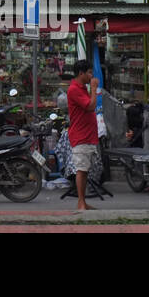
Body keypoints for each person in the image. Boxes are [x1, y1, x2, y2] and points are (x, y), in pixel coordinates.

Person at [67, 58, 101, 212]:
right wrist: (94, 89)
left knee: (85, 169)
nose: (91, 76)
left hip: (88, 135)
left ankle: (83, 201)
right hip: (80, 135)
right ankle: (81, 202)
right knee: (81, 169)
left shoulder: (81, 88)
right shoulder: (74, 89)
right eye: (88, 72)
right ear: (81, 73)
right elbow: (90, 106)